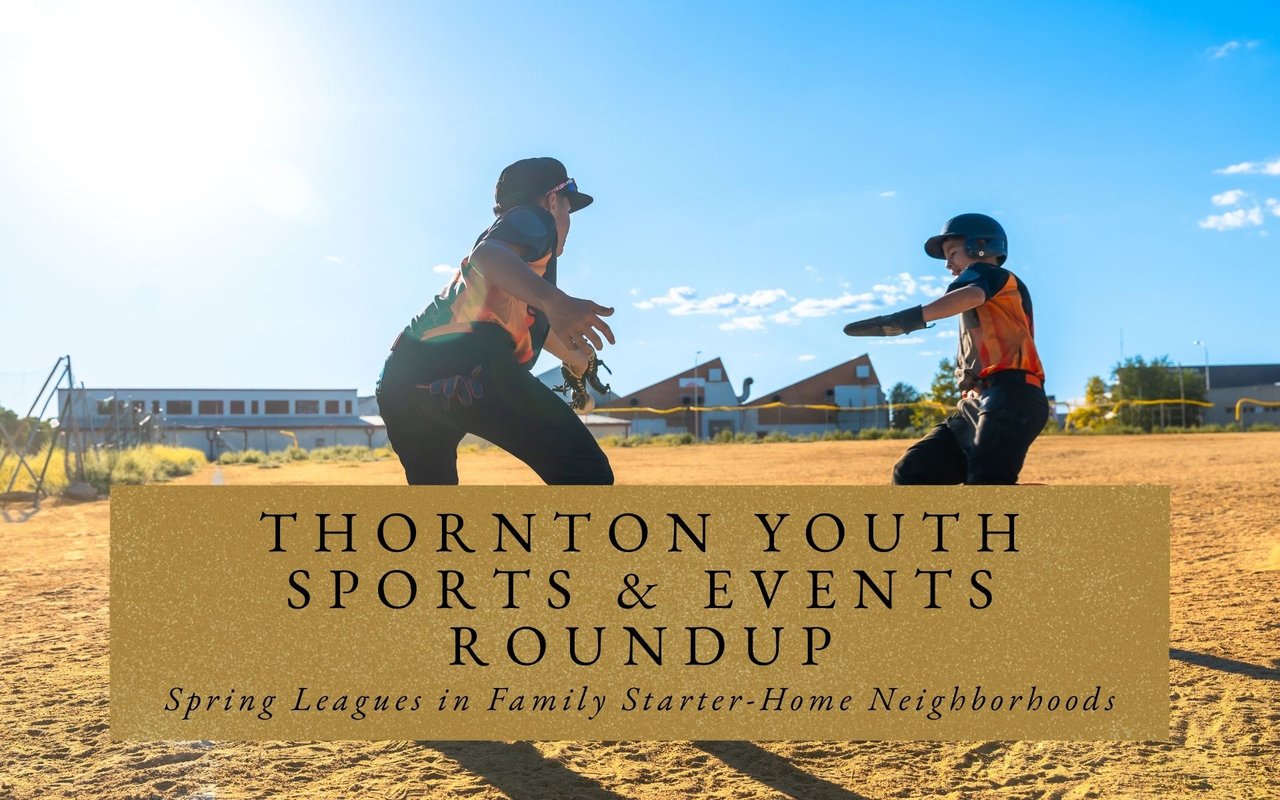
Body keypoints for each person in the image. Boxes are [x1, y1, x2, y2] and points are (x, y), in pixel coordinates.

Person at [376, 157, 616, 485]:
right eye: (567, 209)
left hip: (400, 378)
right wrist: (555, 300)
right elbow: (486, 256)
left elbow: (528, 320)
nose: (567, 221)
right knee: (587, 473)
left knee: (434, 506)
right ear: (552, 200)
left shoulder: (519, 270)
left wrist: (578, 358)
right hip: (468, 363)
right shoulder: (536, 219)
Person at [843, 213, 1048, 484]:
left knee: (987, 484)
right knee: (912, 472)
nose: (948, 264)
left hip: (1012, 396)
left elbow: (972, 294)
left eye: (952, 253)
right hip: (979, 402)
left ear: (981, 245)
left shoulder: (990, 274)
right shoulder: (983, 288)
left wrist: (905, 320)